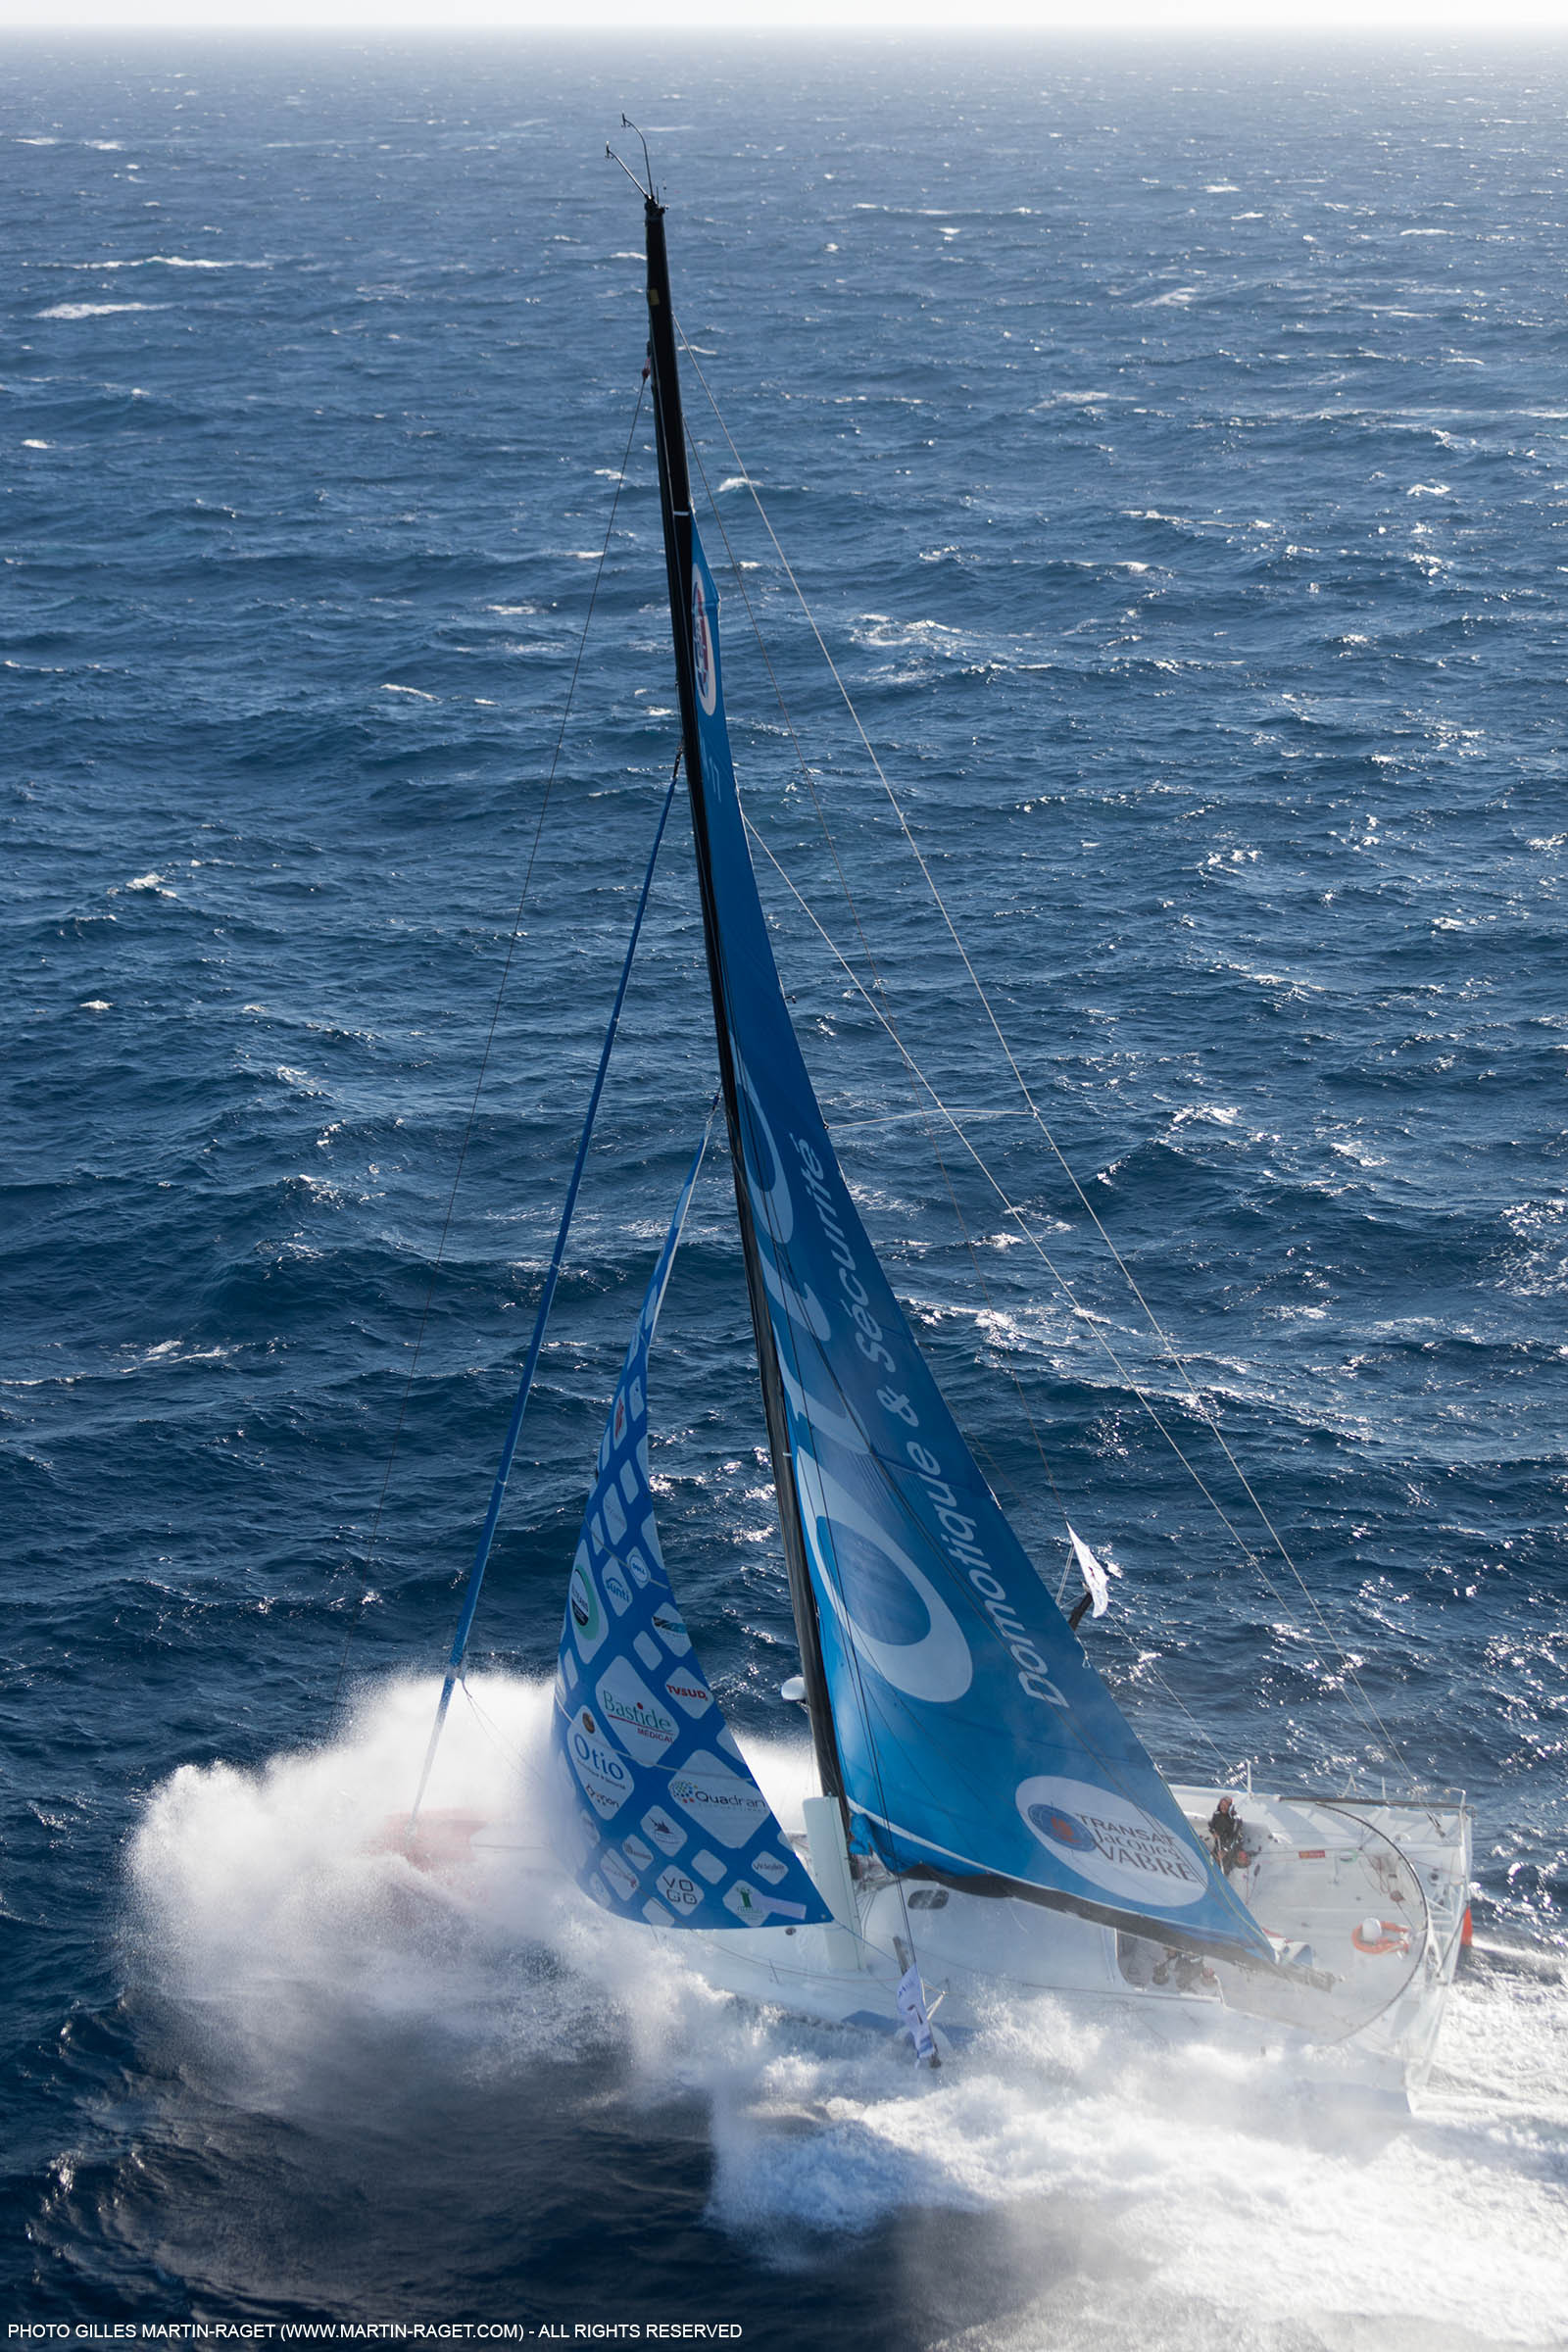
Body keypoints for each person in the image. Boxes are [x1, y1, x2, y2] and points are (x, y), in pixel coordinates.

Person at [1209, 1793, 1249, 1876]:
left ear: (1230, 1807)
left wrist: (1225, 1850)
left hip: (1233, 1845)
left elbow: (1234, 1837)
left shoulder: (1236, 1819)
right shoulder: (1217, 1815)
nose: (1223, 1807)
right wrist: (1214, 1832)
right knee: (1213, 1862)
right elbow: (1211, 1825)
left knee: (1225, 1865)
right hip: (1220, 1842)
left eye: (1225, 1805)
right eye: (1221, 1805)